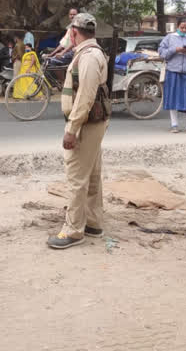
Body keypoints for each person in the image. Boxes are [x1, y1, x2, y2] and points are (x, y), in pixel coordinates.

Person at [47, 13, 109, 249]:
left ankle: (73, 231)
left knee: (76, 177)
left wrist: (72, 129)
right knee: (91, 175)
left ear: (73, 32)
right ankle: (92, 222)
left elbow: (85, 96)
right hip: (90, 123)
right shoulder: (89, 53)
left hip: (84, 125)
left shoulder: (89, 57)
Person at [158, 17, 186, 135]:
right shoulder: (169, 38)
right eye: (182, 27)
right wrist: (174, 50)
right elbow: (162, 53)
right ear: (177, 26)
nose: (184, 29)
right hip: (172, 72)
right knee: (173, 98)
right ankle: (174, 126)